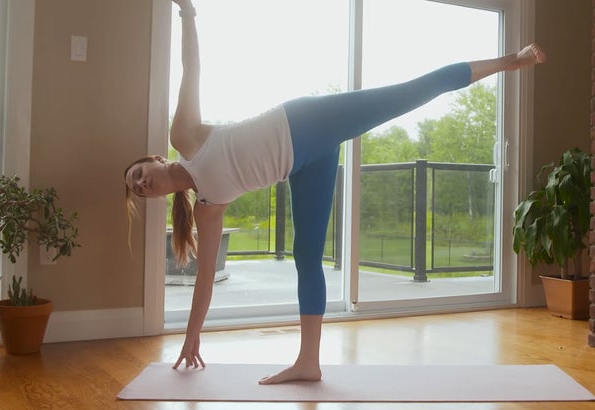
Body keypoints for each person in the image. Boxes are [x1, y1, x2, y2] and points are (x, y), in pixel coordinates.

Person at [124, 0, 546, 385]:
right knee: (305, 255)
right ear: (154, 198)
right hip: (304, 166)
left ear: (156, 161)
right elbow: (203, 282)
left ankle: (513, 60)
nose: (142, 184)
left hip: (306, 121)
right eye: (138, 191)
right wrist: (192, 336)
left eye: (140, 174)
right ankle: (309, 361)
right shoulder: (207, 208)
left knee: (411, 92)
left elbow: (190, 69)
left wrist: (187, 12)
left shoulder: (185, 137)